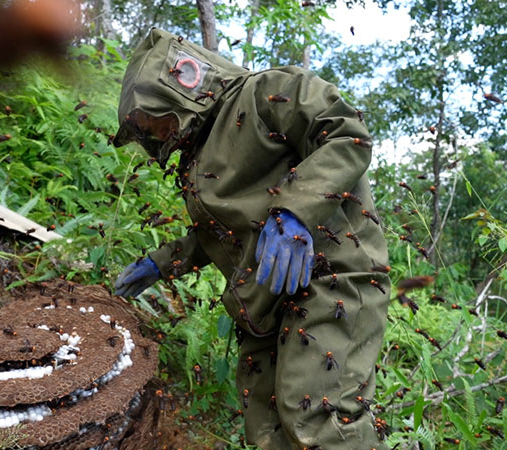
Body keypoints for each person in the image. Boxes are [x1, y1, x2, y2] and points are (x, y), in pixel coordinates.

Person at [112, 28, 390, 450]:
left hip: (329, 277)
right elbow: (221, 234)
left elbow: (347, 134)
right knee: (266, 425)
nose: (155, 134)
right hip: (263, 300)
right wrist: (162, 262)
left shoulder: (265, 91)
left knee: (317, 415)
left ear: (177, 88)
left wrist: (294, 211)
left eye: (154, 122)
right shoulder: (196, 160)